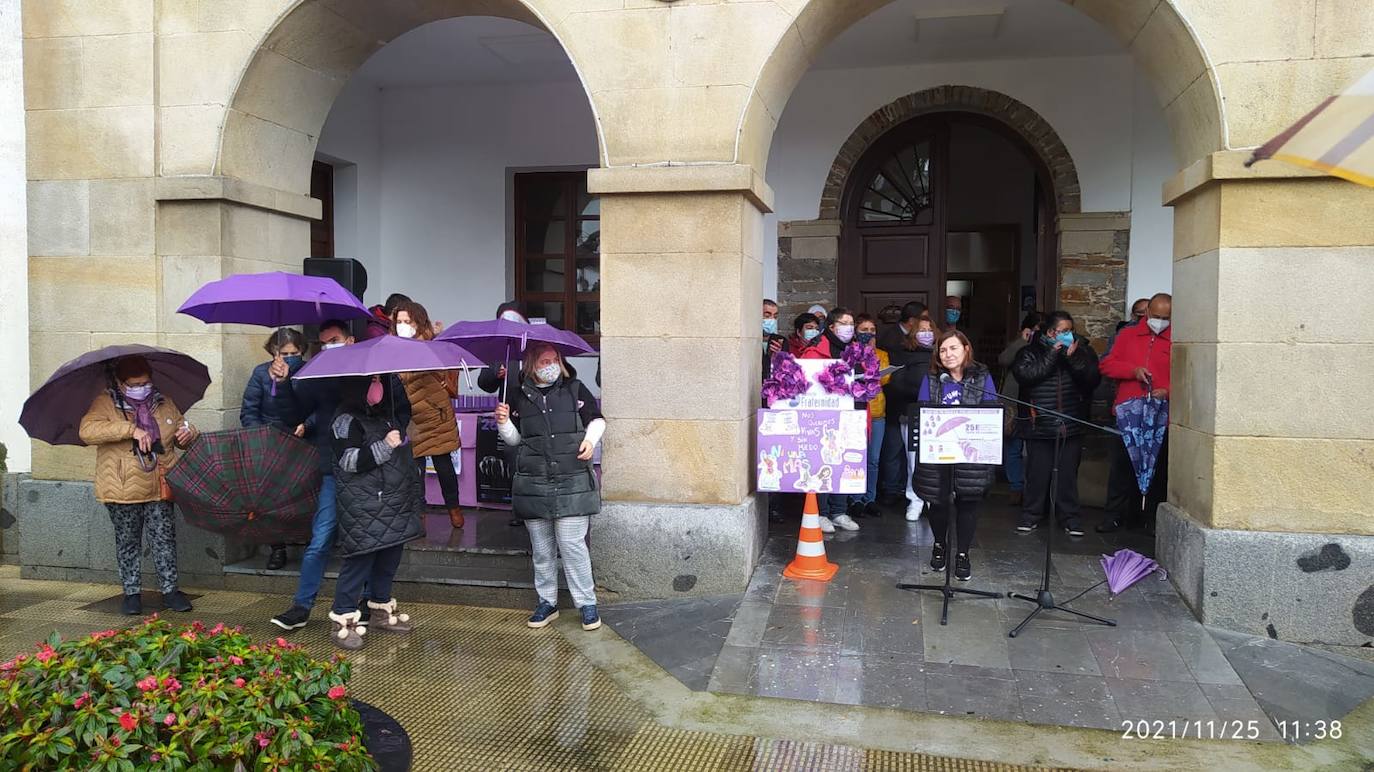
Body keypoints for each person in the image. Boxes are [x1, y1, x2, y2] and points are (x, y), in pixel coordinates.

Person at [270, 320, 412, 632]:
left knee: (374, 539)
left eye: (333, 340)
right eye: (322, 342)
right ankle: (302, 605)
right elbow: (292, 414)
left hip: (376, 473)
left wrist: (393, 433)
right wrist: (282, 384)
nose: (327, 347)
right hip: (335, 470)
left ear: (349, 340)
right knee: (321, 539)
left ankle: (368, 603)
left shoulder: (380, 370)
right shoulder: (317, 375)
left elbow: (402, 411)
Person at [494, 342, 606, 632]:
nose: (550, 365)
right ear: (531, 364)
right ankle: (547, 601)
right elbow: (515, 441)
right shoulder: (518, 395)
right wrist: (504, 423)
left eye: (554, 359)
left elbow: (596, 420)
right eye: (544, 361)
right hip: (534, 480)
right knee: (542, 548)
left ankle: (587, 603)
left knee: (572, 545)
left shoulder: (575, 389)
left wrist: (590, 441)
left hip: (572, 481)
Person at [79, 355, 199, 615]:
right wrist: (129, 429)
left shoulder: (164, 402)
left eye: (145, 382)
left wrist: (189, 434)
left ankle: (170, 590)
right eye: (134, 384)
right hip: (123, 486)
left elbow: (182, 430)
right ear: (121, 384)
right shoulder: (106, 402)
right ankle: (131, 593)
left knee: (164, 538)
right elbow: (88, 431)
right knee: (128, 541)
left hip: (160, 481)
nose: (141, 387)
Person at [326, 375, 424, 650]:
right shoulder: (345, 420)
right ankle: (343, 619)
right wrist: (385, 446)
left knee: (388, 558)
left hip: (394, 504)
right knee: (359, 563)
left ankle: (381, 608)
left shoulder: (385, 414)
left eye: (381, 380)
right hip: (365, 506)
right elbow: (349, 460)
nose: (378, 385)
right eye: (373, 380)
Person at [911, 330, 1000, 581]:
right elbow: (923, 411)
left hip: (972, 453)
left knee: (968, 504)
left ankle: (963, 553)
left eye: (953, 348)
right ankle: (940, 544)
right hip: (939, 453)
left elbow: (991, 410)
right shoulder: (932, 378)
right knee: (937, 503)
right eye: (942, 350)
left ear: (966, 349)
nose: (948, 354)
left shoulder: (982, 376)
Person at [1011, 311, 1101, 537]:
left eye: (1070, 330)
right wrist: (1053, 353)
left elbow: (1091, 380)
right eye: (1062, 331)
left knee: (1068, 476)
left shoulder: (1083, 351)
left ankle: (1070, 518)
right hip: (1039, 423)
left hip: (1070, 423)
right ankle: (1031, 515)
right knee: (1037, 474)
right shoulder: (1029, 352)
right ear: (1050, 332)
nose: (1067, 335)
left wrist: (1072, 358)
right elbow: (1027, 375)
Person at [1098, 293, 1172, 535]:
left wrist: (1168, 391)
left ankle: (1150, 518)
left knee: (1158, 471)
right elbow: (1107, 365)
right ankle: (1114, 517)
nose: (1160, 321)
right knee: (1121, 469)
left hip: (1161, 417)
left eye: (1166, 318)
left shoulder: (1178, 339)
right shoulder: (1128, 335)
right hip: (1129, 414)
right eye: (1156, 316)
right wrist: (1133, 371)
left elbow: (1188, 377)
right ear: (1147, 313)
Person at [241, 328, 309, 570]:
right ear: (274, 352)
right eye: (284, 352)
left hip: (300, 439)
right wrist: (259, 436)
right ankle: (276, 547)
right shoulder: (260, 373)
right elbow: (249, 410)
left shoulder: (307, 371)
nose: (290, 356)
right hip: (269, 442)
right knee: (269, 498)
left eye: (295, 352)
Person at [393, 301, 464, 531]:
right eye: (399, 322)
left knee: (444, 466)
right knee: (415, 471)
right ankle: (419, 516)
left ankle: (454, 509)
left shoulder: (432, 346)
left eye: (408, 322)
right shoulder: (391, 349)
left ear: (418, 323)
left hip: (435, 414)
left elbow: (445, 370)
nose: (403, 326)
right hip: (411, 416)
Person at [801, 307, 862, 532]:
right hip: (822, 415)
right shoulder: (816, 349)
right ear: (832, 326)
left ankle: (839, 511)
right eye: (844, 323)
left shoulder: (855, 349)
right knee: (823, 463)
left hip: (849, 415)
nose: (849, 327)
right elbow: (806, 381)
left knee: (843, 463)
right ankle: (821, 513)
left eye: (851, 323)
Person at [884, 312, 940, 521]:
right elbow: (896, 383)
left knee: (937, 461)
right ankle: (914, 500)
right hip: (912, 413)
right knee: (913, 462)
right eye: (921, 330)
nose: (926, 334)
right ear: (913, 334)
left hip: (938, 415)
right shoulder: (903, 353)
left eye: (929, 330)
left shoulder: (942, 354)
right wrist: (920, 390)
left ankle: (933, 500)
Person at [997, 312, 1043, 507]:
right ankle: (1016, 486)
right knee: (1013, 447)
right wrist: (1021, 342)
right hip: (1013, 402)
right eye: (1034, 330)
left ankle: (1033, 489)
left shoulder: (1047, 347)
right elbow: (1003, 360)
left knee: (1034, 450)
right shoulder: (1018, 346)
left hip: (1036, 403)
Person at [854, 314, 890, 518]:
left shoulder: (882, 354)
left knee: (873, 460)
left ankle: (870, 498)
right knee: (856, 457)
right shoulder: (851, 354)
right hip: (857, 412)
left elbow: (883, 378)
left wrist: (870, 354)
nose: (868, 334)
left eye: (872, 331)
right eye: (864, 330)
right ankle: (855, 499)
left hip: (877, 412)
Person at [761, 299, 787, 378]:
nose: (772, 320)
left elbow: (786, 369)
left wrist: (778, 356)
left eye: (775, 316)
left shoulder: (781, 341)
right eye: (767, 316)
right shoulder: (748, 341)